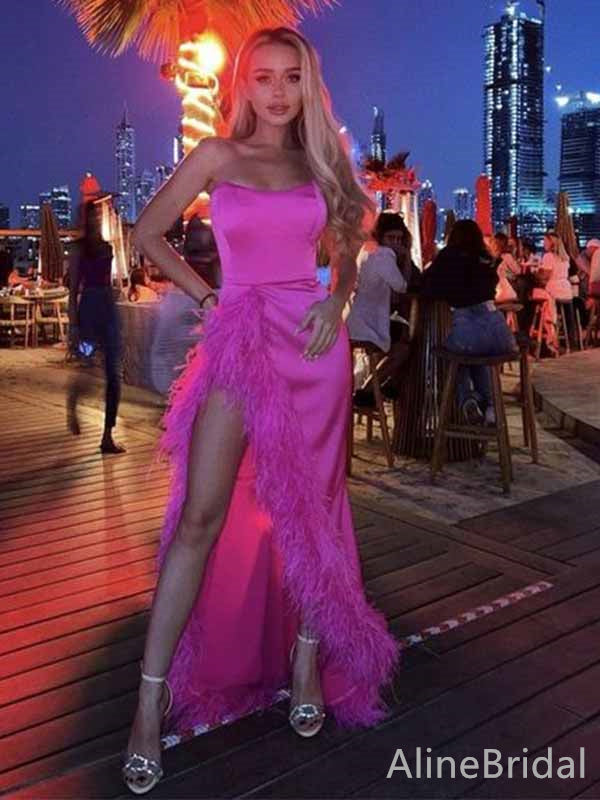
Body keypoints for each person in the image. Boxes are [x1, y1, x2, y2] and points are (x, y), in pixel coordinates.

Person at [123, 27, 398, 795]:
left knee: (316, 511)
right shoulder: (216, 155)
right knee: (200, 517)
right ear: (243, 85)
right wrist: (210, 297)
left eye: (291, 77)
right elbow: (147, 232)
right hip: (241, 340)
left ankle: (306, 660)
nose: (278, 91)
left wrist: (337, 301)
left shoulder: (322, 159)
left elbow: (349, 244)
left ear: (308, 84)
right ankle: (149, 701)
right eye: (264, 77)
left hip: (313, 350)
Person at [421, 219, 517, 426]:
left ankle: (467, 399)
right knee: (478, 356)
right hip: (500, 333)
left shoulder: (448, 256)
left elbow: (428, 286)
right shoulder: (486, 258)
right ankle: (490, 407)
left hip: (466, 326)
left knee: (456, 355)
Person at [67, 201, 125, 454]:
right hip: (89, 308)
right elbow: (73, 289)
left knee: (114, 373)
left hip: (107, 307)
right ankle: (73, 400)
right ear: (84, 219)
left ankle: (107, 435)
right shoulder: (78, 248)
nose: (96, 220)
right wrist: (73, 324)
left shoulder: (107, 247)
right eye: (92, 216)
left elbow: (108, 280)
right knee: (88, 365)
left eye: (98, 216)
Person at [346, 212, 412, 401]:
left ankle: (375, 390)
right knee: (405, 347)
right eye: (391, 238)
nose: (395, 243)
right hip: (369, 326)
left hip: (355, 322)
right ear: (381, 236)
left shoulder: (367, 250)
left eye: (398, 239)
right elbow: (401, 286)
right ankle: (371, 390)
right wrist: (406, 257)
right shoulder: (384, 255)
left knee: (402, 338)